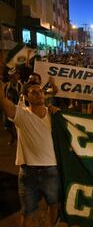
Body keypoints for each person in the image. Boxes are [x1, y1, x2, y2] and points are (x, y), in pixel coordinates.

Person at [0, 80, 60, 227]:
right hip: (28, 174)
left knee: (54, 205)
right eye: (34, 92)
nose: (39, 94)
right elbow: (4, 102)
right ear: (26, 97)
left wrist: (57, 113)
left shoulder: (54, 115)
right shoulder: (21, 114)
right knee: (27, 212)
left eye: (40, 91)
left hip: (51, 170)